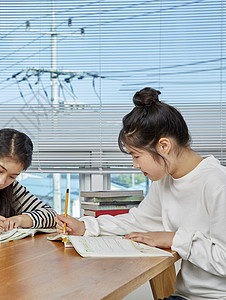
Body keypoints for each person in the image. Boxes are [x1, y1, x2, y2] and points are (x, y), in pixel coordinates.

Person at [55, 87, 226, 300]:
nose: (135, 165)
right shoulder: (165, 179)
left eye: (136, 156)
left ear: (164, 146)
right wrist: (86, 227)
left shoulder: (217, 183)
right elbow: (139, 220)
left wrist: (174, 239)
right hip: (183, 296)